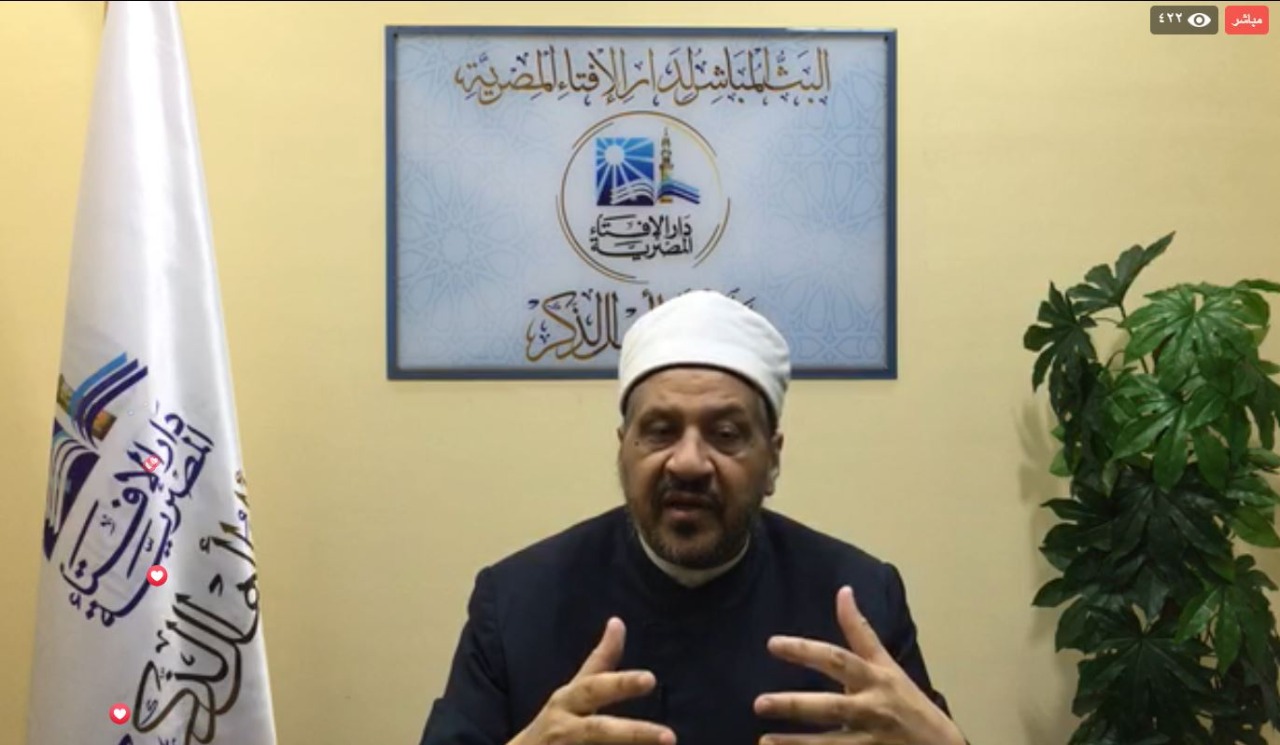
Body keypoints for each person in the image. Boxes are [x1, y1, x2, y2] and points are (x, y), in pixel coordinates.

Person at [419, 290, 965, 745]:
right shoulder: (515, 604)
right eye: (660, 431)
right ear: (622, 449)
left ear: (773, 459)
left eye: (725, 434)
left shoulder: (863, 600)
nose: (688, 462)